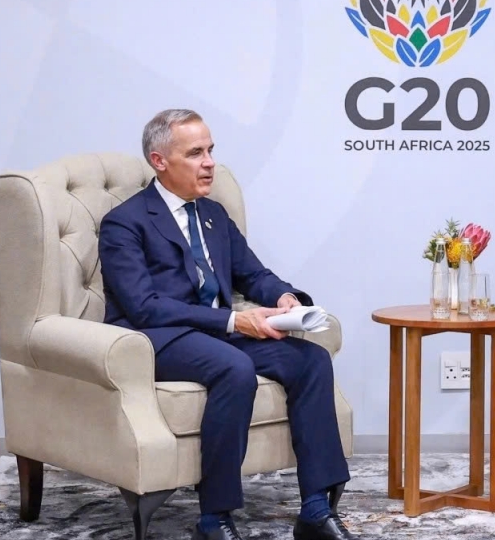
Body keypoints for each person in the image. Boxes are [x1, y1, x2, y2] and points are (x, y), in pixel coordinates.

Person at [98, 109, 362, 540]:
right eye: (196, 153)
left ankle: (316, 508)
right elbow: (144, 307)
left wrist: (284, 298)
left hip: (220, 331)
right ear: (159, 160)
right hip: (160, 338)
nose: (209, 163)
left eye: (211, 150)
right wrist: (235, 319)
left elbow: (252, 274)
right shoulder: (125, 222)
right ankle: (214, 518)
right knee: (233, 369)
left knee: (310, 361)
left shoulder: (214, 216)